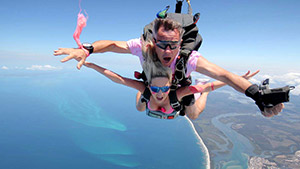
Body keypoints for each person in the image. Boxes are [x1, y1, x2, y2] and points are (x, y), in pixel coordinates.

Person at [54, 12, 284, 119]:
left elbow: (223, 75)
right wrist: (87, 49)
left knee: (192, 114)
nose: (166, 51)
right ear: (153, 41)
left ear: (180, 43)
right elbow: (113, 44)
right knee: (141, 105)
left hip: (177, 86)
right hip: (152, 84)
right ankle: (147, 95)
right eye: (161, 44)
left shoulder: (189, 59)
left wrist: (256, 95)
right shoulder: (143, 47)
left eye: (172, 45)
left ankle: (162, 94)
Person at [76, 39, 259, 119]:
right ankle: (142, 97)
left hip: (177, 98)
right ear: (150, 86)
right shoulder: (147, 90)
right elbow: (117, 78)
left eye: (164, 89)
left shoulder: (175, 94)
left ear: (171, 86)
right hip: (145, 92)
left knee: (193, 114)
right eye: (156, 89)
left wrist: (237, 79)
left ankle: (197, 94)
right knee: (140, 106)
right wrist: (92, 66)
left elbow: (209, 86)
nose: (160, 93)